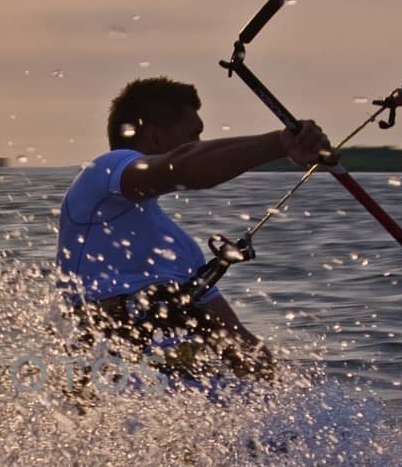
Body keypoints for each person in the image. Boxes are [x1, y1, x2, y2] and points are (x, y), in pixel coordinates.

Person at [56, 76, 334, 383]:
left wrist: (289, 398)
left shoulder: (180, 248)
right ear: (155, 136)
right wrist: (280, 144)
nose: (200, 145)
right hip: (104, 388)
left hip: (183, 402)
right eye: (193, 135)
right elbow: (184, 167)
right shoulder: (105, 172)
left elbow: (237, 343)